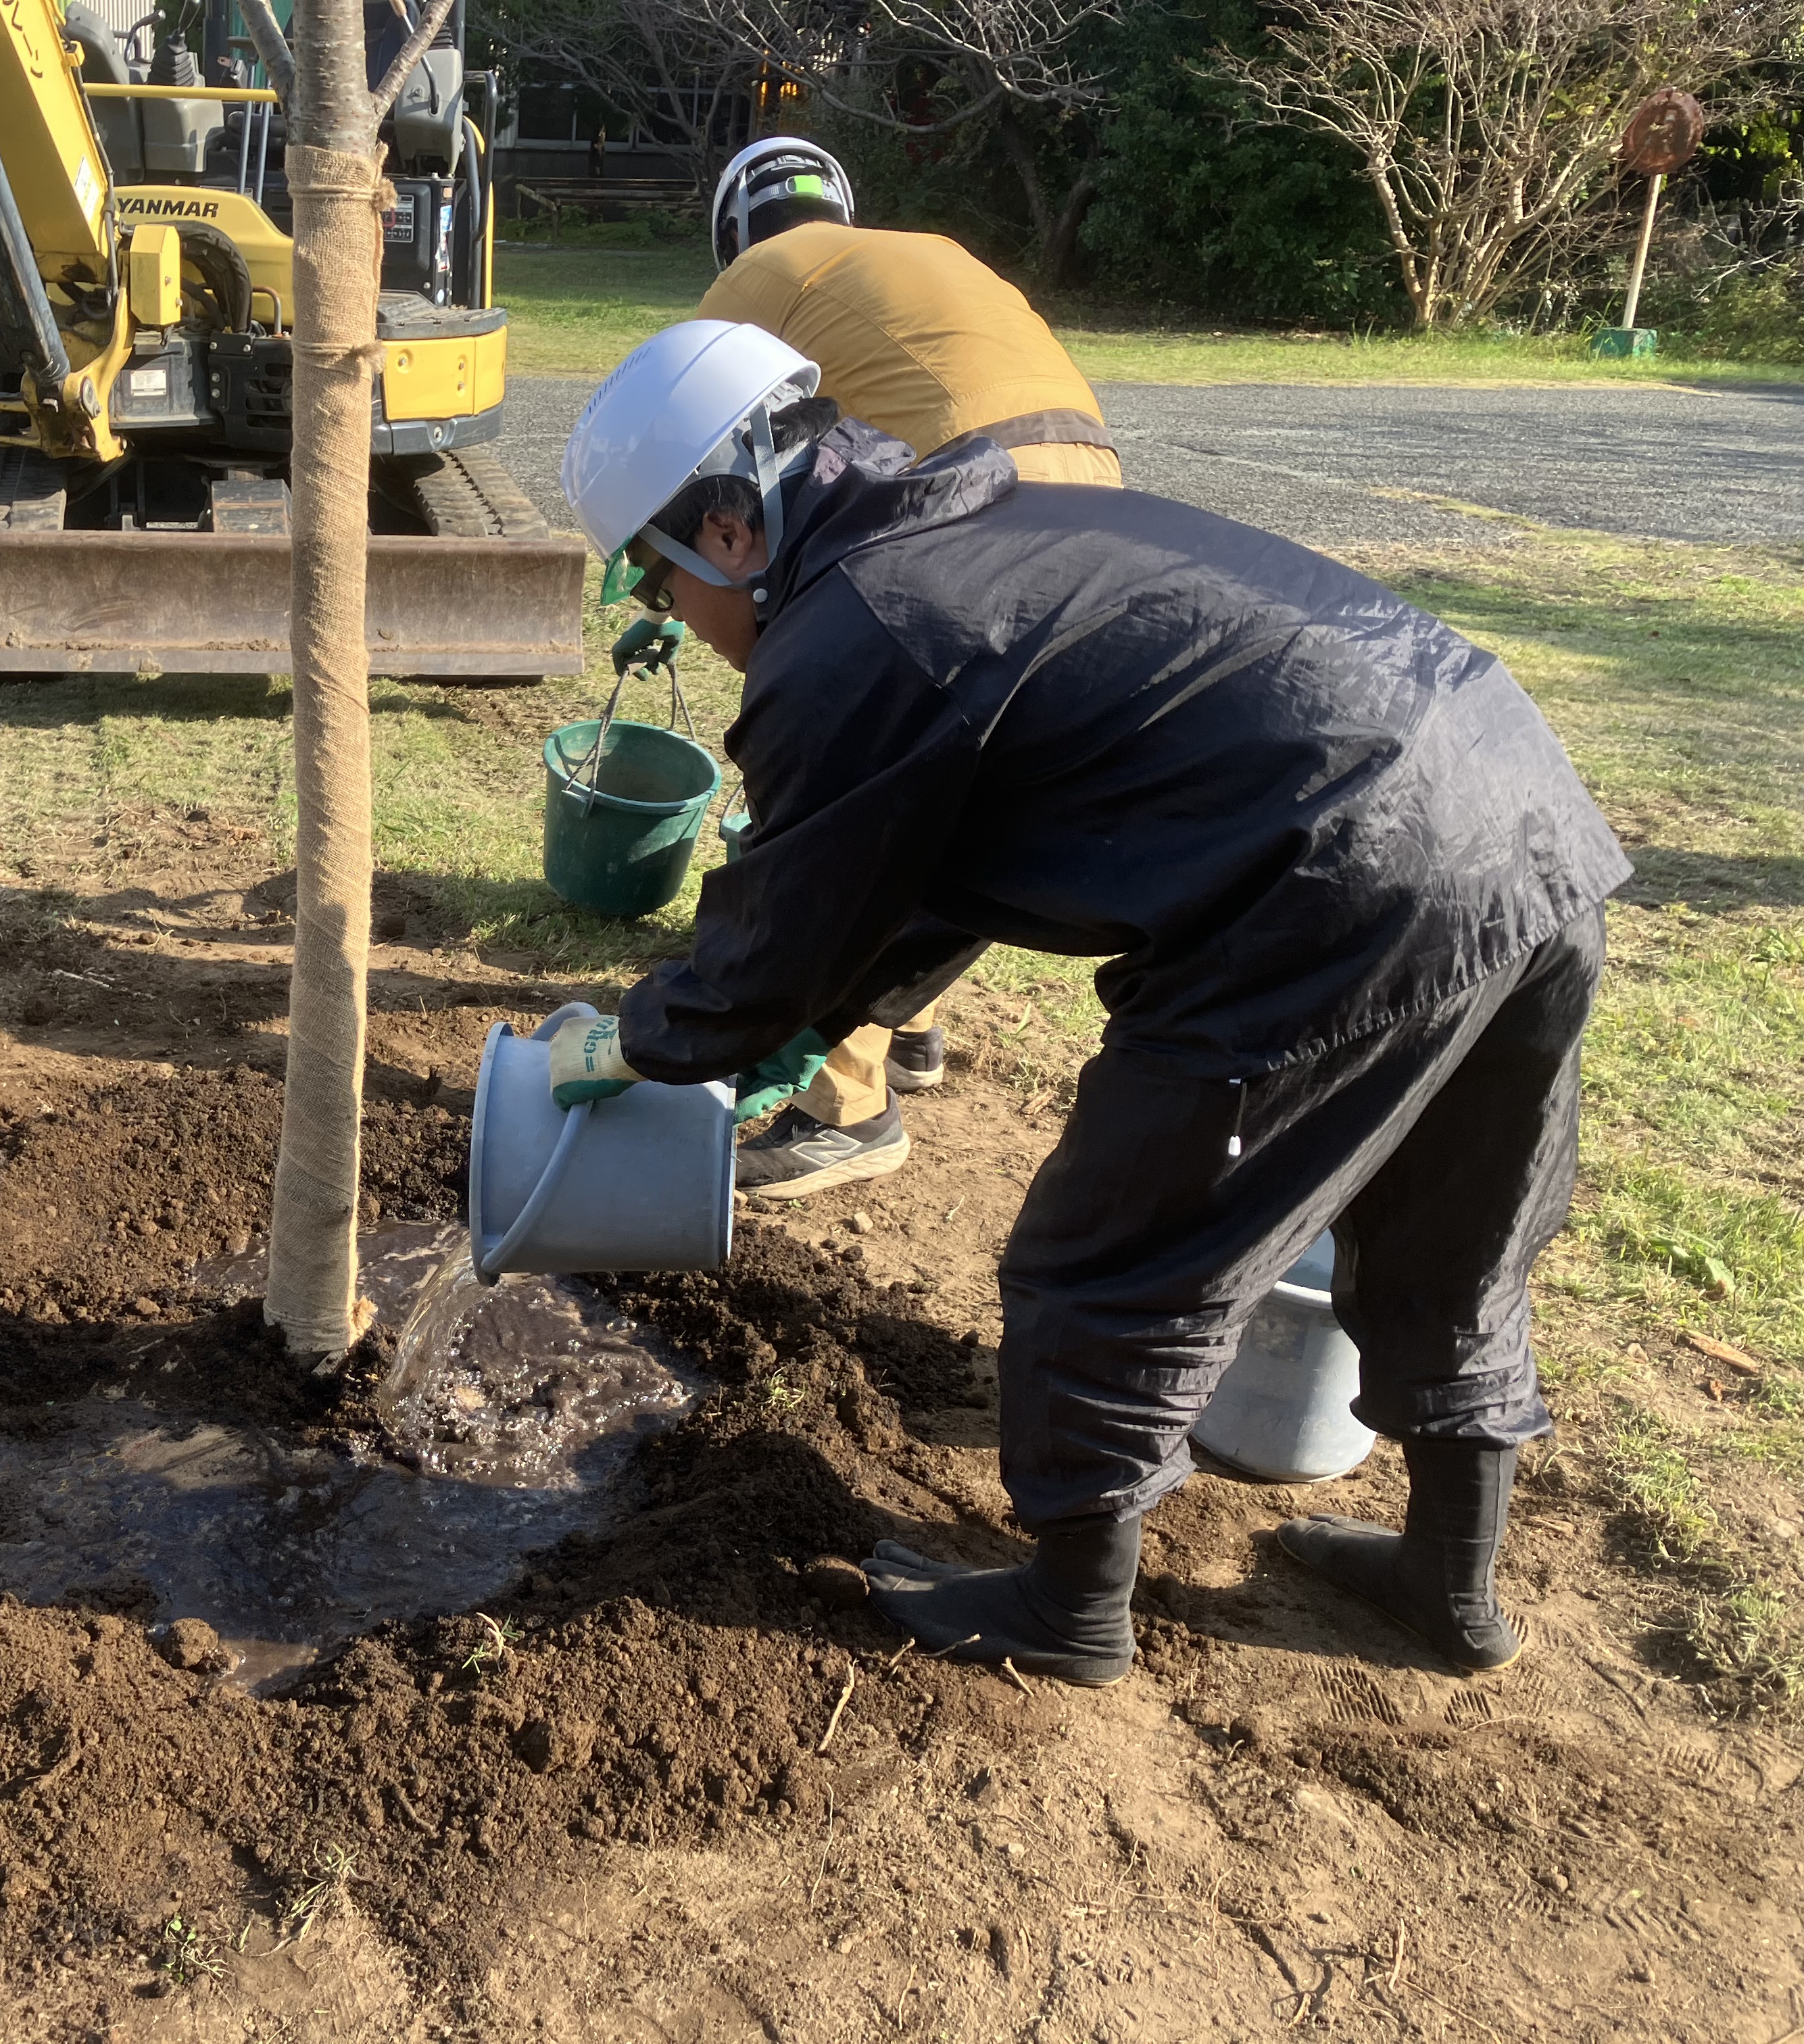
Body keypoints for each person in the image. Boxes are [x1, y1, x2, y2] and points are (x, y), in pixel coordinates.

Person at [548, 320, 1629, 1686]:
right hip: (1516, 813)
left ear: (730, 529)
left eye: (658, 580)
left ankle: (1068, 1611)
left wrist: (648, 1037)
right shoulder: (980, 528)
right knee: (1452, 1221)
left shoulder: (853, 636)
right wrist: (819, 1021)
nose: (673, 617)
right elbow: (923, 887)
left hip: (1337, 882)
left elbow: (767, 945)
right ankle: (1448, 1583)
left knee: (1113, 1254)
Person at [696, 137, 1125, 1199]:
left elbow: (703, 475)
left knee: (859, 775)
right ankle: (917, 1026)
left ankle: (845, 1101)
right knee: (966, 766)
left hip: (959, 495)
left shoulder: (750, 285)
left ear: (733, 235)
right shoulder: (916, 255)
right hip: (1093, 485)